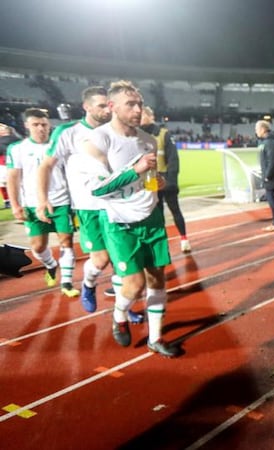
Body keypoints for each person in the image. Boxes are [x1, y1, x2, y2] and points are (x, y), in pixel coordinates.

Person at [82, 80, 180, 358]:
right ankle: (119, 315)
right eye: (131, 104)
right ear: (112, 106)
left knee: (157, 280)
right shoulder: (98, 139)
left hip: (151, 218)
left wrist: (155, 183)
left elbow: (148, 181)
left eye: (139, 103)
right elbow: (97, 188)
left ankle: (156, 338)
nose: (138, 109)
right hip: (119, 222)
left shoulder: (147, 139)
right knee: (134, 284)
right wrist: (135, 170)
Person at [37, 86, 127, 313]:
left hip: (118, 205)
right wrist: (42, 199)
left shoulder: (116, 131)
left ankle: (123, 308)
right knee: (101, 260)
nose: (107, 110)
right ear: (86, 107)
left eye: (109, 105)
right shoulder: (68, 132)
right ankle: (88, 284)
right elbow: (46, 166)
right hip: (89, 207)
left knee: (121, 260)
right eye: (101, 106)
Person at [6, 108, 80, 294]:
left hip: (61, 201)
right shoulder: (17, 149)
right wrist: (15, 205)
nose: (41, 128)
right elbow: (13, 178)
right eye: (36, 125)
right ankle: (50, 264)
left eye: (44, 125)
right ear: (26, 126)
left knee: (66, 240)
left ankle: (67, 283)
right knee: (38, 246)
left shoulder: (59, 147)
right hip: (32, 204)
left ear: (49, 126)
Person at [141, 106, 191, 253]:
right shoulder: (137, 135)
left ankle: (184, 239)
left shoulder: (164, 134)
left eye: (143, 115)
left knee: (175, 210)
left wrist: (171, 181)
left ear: (151, 116)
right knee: (156, 214)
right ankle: (162, 243)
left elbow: (173, 159)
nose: (139, 118)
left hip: (165, 179)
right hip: (149, 180)